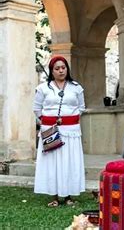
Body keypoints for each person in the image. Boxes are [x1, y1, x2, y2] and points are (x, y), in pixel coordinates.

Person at [33, 56, 86, 207]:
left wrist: (69, 120)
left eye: (63, 67)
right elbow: (37, 109)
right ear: (51, 71)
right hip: (50, 130)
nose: (61, 71)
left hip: (71, 132)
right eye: (57, 68)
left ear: (67, 69)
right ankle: (54, 196)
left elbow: (81, 107)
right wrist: (50, 122)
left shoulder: (76, 87)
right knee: (52, 162)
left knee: (69, 161)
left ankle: (68, 195)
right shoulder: (43, 88)